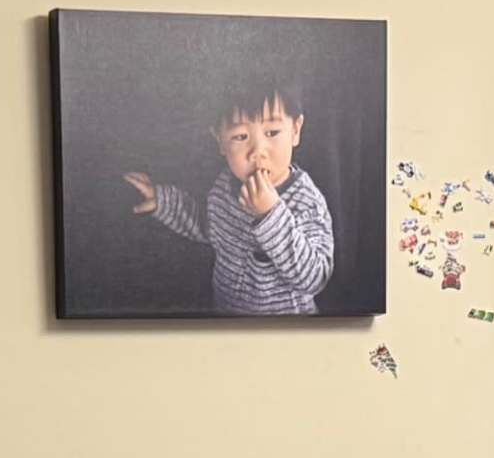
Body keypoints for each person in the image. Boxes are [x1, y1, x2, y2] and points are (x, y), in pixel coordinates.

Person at [123, 79, 337, 314]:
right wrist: (162, 201)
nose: (258, 152)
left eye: (272, 132)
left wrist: (270, 214)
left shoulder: (306, 201)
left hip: (285, 331)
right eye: (241, 137)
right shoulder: (224, 186)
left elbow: (316, 277)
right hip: (227, 319)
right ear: (220, 141)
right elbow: (208, 226)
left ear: (295, 130)